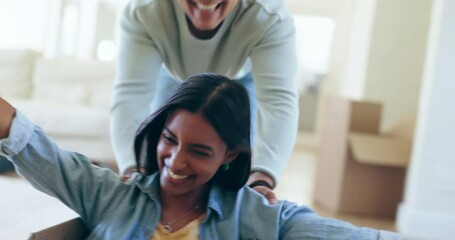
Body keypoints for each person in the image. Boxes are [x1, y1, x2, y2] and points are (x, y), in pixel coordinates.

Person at [0, 73, 402, 239]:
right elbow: (31, 144)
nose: (175, 161)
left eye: (199, 151)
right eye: (170, 140)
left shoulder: (257, 216)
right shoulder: (110, 194)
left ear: (230, 155)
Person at [111, 0, 299, 198]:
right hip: (172, 74)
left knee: (234, 164)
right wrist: (134, 170)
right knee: (161, 154)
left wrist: (261, 178)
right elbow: (131, 93)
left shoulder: (270, 16)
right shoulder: (143, 10)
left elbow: (278, 102)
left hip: (241, 76)